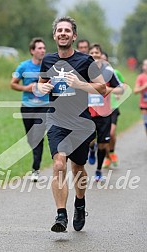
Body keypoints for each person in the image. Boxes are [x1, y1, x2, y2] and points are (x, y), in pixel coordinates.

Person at [37, 17, 106, 233]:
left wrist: (80, 84)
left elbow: (102, 88)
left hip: (81, 123)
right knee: (59, 164)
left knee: (77, 168)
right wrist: (42, 88)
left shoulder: (86, 61)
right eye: (60, 30)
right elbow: (41, 84)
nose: (63, 33)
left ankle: (79, 202)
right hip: (56, 121)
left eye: (67, 30)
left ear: (74, 36)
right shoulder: (47, 61)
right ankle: (61, 215)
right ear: (55, 35)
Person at [11, 38, 48, 182]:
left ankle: (35, 169)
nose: (42, 51)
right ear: (32, 51)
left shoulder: (48, 66)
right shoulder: (23, 66)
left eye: (44, 48)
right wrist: (25, 88)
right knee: (30, 138)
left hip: (44, 106)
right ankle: (36, 164)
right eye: (39, 48)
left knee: (38, 135)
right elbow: (13, 84)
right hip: (27, 106)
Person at [88, 44, 123, 181]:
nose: (95, 54)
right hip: (88, 113)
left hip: (104, 114)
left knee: (103, 144)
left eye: (97, 52)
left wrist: (108, 90)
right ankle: (91, 149)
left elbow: (120, 89)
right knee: (90, 140)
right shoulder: (84, 71)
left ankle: (98, 170)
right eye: (92, 52)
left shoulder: (108, 71)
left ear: (101, 55)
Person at [101, 52, 125, 168]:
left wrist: (117, 93)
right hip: (100, 108)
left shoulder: (114, 73)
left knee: (111, 132)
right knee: (102, 136)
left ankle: (112, 152)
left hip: (113, 106)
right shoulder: (93, 74)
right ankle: (106, 157)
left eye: (105, 60)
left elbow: (123, 85)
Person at [134, 59, 147, 136]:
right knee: (146, 123)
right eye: (145, 65)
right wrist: (144, 86)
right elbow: (135, 91)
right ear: (143, 66)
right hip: (144, 106)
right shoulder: (140, 77)